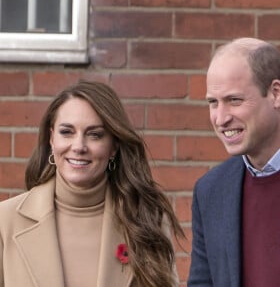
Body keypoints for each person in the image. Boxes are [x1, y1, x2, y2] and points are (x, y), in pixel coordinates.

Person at [0, 80, 184, 287]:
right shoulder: (5, 221)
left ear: (113, 147)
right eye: (67, 132)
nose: (79, 146)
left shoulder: (148, 219)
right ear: (52, 139)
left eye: (95, 135)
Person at [188, 37, 280, 287]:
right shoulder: (210, 192)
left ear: (275, 93)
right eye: (212, 102)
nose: (220, 118)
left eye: (234, 100)